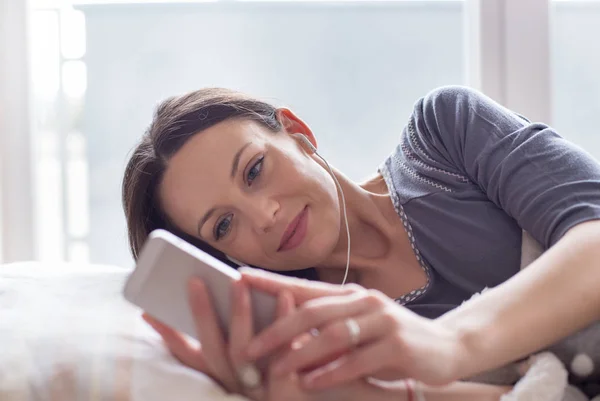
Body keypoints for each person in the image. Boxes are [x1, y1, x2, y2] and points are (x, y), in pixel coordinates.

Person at [122, 85, 600, 401]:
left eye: (254, 171)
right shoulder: (309, 339)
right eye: (223, 226)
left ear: (297, 132)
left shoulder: (445, 138)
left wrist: (451, 342)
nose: (264, 215)